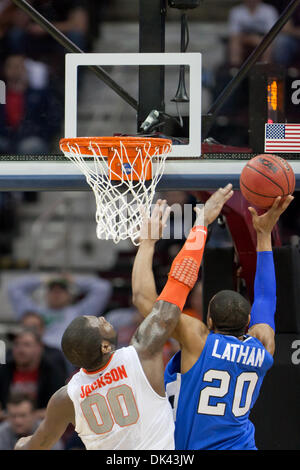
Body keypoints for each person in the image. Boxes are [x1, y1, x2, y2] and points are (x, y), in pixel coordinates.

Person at [13, 185, 233, 450]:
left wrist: (21, 445)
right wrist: (200, 224)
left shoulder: (65, 398)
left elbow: (38, 444)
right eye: (99, 323)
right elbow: (179, 284)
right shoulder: (141, 354)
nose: (104, 318)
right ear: (104, 346)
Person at [132, 193, 294, 450]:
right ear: (249, 322)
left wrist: (148, 244)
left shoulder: (198, 341)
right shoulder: (263, 345)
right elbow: (265, 296)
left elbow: (144, 301)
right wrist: (264, 235)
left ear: (207, 319)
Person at [7, 273, 112, 351]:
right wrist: (43, 279)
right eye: (52, 290)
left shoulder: (80, 312)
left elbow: (103, 288)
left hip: (66, 357)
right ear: (46, 295)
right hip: (38, 355)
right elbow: (14, 288)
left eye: (62, 290)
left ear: (70, 296)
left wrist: (72, 280)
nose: (56, 293)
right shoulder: (35, 312)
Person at [0, 327, 67, 420]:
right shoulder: (4, 369)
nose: (20, 350)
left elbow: (59, 409)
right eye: (16, 344)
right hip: (7, 425)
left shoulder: (52, 371)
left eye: (26, 345)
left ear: (39, 348)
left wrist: (28, 417)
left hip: (42, 425)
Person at [228, 0, 279, 67]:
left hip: (263, 39)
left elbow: (271, 34)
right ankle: (235, 70)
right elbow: (234, 34)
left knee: (267, 45)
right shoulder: (236, 11)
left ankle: (264, 71)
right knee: (234, 43)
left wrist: (259, 40)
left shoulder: (269, 10)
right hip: (243, 39)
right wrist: (251, 39)